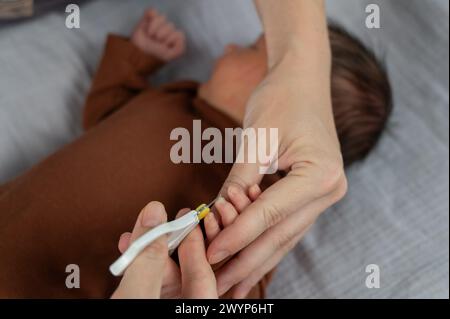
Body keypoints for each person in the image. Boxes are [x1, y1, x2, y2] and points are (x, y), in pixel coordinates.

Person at [0, 6, 391, 298]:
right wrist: (136, 57)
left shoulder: (258, 206)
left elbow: (241, 285)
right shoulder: (179, 96)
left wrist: (202, 273)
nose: (231, 45)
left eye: (253, 49)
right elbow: (106, 112)